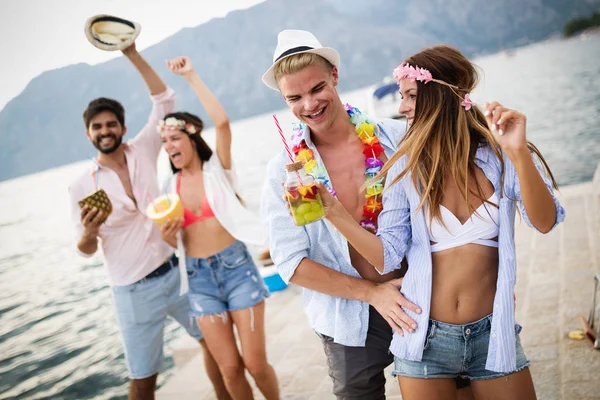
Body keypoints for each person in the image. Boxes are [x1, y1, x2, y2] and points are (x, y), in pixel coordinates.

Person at [317, 45, 566, 399]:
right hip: (424, 341)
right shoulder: (405, 167)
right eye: (401, 96)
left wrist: (519, 151)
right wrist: (335, 214)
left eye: (411, 96)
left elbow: (544, 221)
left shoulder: (499, 155)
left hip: (493, 335)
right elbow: (387, 256)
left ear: (444, 96)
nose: (401, 107)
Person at [260, 30, 474, 399]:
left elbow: (450, 209)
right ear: (284, 99)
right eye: (295, 97)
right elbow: (291, 262)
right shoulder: (285, 171)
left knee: (459, 389)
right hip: (348, 316)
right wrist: (372, 294)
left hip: (423, 294)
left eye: (317, 88)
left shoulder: (399, 138)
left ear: (336, 76)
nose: (309, 104)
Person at [68, 44, 228, 400]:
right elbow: (84, 249)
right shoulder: (80, 186)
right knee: (143, 378)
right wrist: (90, 232)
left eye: (111, 124)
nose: (105, 130)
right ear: (88, 134)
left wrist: (130, 51)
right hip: (133, 291)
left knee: (216, 347)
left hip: (177, 273)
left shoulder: (142, 148)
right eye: (97, 126)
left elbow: (164, 99)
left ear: (123, 127)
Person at [158, 56, 279, 400]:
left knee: (255, 364)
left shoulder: (218, 172)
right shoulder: (169, 189)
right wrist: (167, 238)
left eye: (174, 139)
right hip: (199, 279)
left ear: (191, 137)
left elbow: (222, 122)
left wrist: (191, 76)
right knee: (229, 369)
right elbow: (173, 241)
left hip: (237, 269)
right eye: (165, 143)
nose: (169, 147)